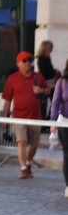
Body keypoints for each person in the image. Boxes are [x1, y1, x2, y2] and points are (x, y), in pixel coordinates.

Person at [2, 51, 50, 179]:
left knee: (34, 144)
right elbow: (7, 100)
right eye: (25, 61)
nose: (28, 63)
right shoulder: (12, 79)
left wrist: (41, 90)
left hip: (35, 116)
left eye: (30, 60)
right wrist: (5, 118)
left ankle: (27, 162)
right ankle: (23, 168)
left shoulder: (38, 76)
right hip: (19, 116)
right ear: (18, 64)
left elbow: (48, 90)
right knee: (21, 141)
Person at [50, 59, 68, 197]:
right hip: (65, 122)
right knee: (67, 154)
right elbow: (55, 102)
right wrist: (53, 122)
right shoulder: (62, 82)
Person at [35, 40, 61, 119]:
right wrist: (54, 72)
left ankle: (47, 118)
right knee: (53, 101)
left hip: (48, 82)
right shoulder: (43, 59)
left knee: (48, 102)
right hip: (47, 83)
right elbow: (46, 72)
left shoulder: (43, 58)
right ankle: (47, 119)